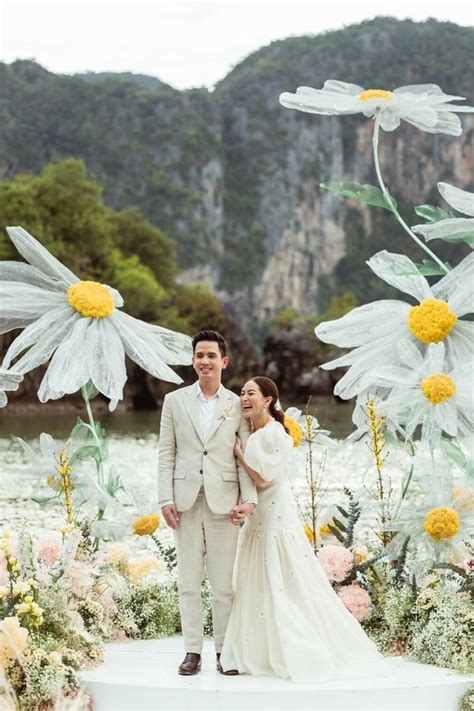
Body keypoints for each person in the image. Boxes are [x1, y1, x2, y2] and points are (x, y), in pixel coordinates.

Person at [220, 376, 385, 682]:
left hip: (275, 515)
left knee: (282, 576)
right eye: (241, 393)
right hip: (260, 515)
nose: (244, 397)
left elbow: (264, 479)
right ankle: (256, 646)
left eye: (251, 393)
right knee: (260, 577)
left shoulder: (273, 434)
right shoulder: (255, 432)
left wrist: (239, 453)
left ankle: (292, 644)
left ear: (268, 399)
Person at [158, 330, 257, 676]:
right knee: (188, 582)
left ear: (224, 362)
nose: (205, 361)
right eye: (199, 355)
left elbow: (242, 456)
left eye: (211, 356)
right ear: (192, 360)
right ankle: (191, 652)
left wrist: (249, 500)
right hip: (184, 502)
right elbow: (166, 453)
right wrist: (165, 498)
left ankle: (223, 651)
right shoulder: (174, 401)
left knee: (223, 585)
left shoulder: (236, 405)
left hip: (225, 502)